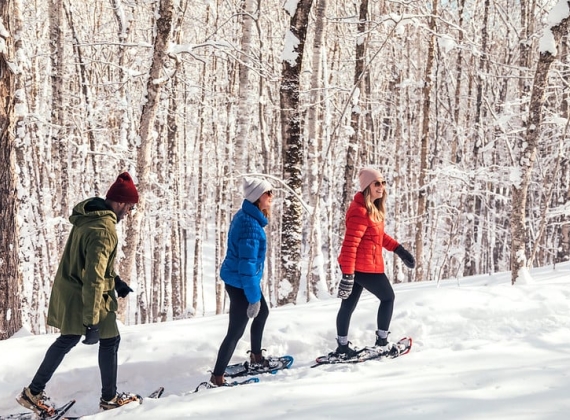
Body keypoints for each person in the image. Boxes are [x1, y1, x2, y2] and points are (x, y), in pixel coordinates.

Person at [17, 172, 141, 415]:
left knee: (95, 339)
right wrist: (91, 321)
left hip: (74, 290)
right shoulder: (104, 229)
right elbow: (93, 277)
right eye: (129, 207)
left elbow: (92, 264)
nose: (129, 213)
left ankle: (34, 392)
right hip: (85, 296)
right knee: (100, 340)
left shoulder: (89, 217)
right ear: (118, 202)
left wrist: (116, 281)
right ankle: (108, 399)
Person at [334, 167, 415, 357]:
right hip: (362, 267)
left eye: (383, 183)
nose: (381, 187)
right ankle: (382, 342)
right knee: (388, 298)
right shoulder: (360, 211)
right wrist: (347, 274)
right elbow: (350, 244)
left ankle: (343, 347)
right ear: (367, 187)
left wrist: (399, 250)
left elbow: (378, 236)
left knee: (348, 305)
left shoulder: (371, 209)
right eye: (376, 183)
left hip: (360, 266)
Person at [210, 177, 274, 386]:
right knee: (236, 331)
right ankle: (217, 377)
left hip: (241, 280)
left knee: (262, 313)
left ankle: (256, 357)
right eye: (268, 193)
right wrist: (253, 298)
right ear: (257, 198)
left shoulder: (248, 218)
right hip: (241, 284)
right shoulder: (250, 227)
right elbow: (246, 267)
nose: (271, 197)